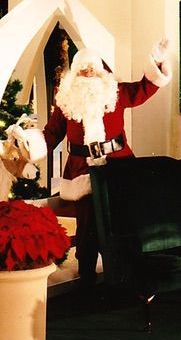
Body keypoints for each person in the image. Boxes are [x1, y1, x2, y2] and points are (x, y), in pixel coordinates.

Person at [9, 41, 171, 283]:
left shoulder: (116, 93)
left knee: (122, 221)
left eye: (92, 69)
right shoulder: (66, 102)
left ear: (102, 72)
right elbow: (51, 134)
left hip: (118, 166)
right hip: (81, 169)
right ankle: (86, 279)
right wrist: (28, 148)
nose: (87, 74)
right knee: (87, 225)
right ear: (74, 74)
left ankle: (126, 278)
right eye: (82, 70)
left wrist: (157, 62)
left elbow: (144, 88)